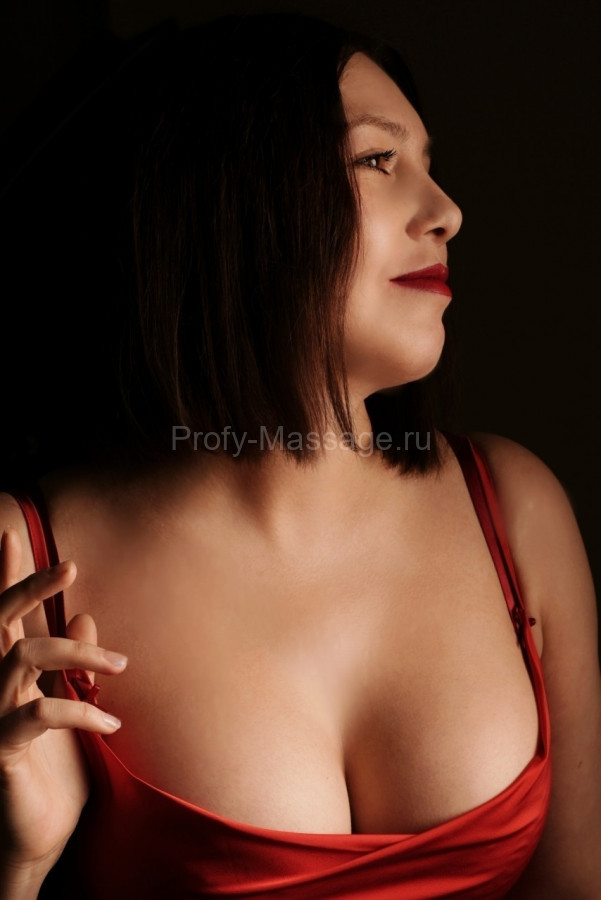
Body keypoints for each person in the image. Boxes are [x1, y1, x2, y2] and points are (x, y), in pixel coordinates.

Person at [0, 11, 600, 899]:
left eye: (428, 163)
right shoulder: (23, 561)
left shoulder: (515, 509)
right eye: (377, 160)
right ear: (230, 199)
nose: (446, 212)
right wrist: (18, 864)